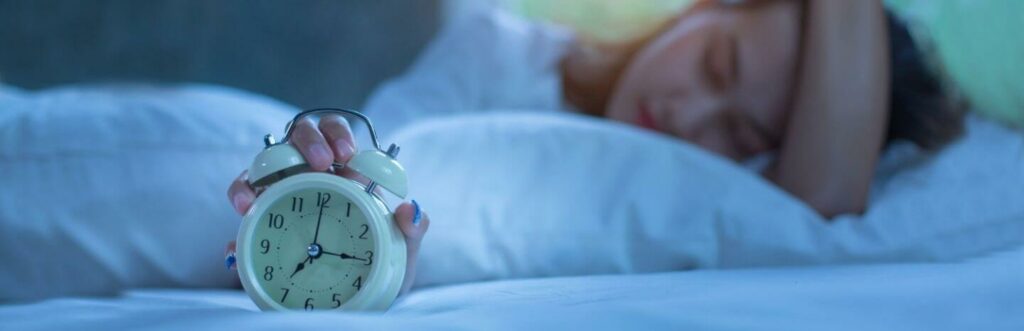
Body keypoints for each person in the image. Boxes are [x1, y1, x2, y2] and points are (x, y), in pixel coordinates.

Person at [225, 0, 964, 293]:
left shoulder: (712, 206)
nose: (689, 115)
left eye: (743, 135)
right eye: (714, 66)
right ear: (697, 10)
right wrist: (332, 161)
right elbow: (385, 145)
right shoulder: (500, 49)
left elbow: (823, 205)